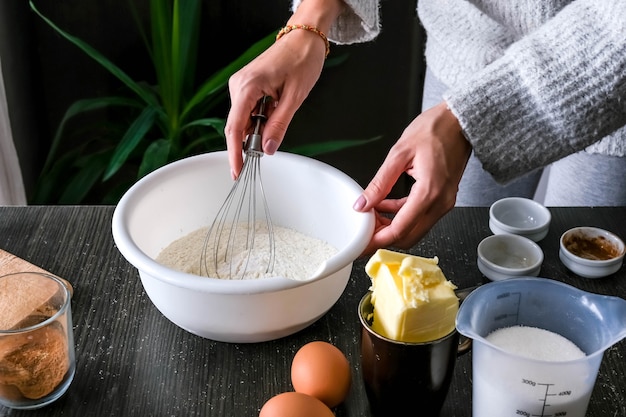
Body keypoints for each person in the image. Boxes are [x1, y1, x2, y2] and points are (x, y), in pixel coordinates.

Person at [225, 0, 626, 255]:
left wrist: (469, 118)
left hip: (604, 77)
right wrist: (312, 17)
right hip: (465, 48)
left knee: (586, 268)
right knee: (457, 255)